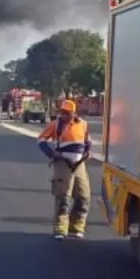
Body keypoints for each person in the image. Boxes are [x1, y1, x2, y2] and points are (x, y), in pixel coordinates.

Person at [37, 99, 92, 239]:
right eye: (62, 112)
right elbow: (41, 140)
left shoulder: (83, 125)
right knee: (63, 197)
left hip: (79, 165)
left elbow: (87, 141)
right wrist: (51, 153)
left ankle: (77, 227)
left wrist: (88, 151)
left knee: (83, 196)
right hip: (62, 163)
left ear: (73, 113)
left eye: (67, 113)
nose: (64, 115)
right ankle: (60, 228)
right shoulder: (56, 125)